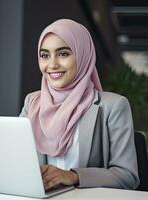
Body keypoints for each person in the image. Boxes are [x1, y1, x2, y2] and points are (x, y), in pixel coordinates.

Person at [19, 19, 139, 191]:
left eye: (63, 54)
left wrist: (74, 176)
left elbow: (128, 176)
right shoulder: (32, 103)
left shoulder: (113, 106)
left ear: (83, 55)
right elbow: (15, 159)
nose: (52, 65)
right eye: (45, 55)